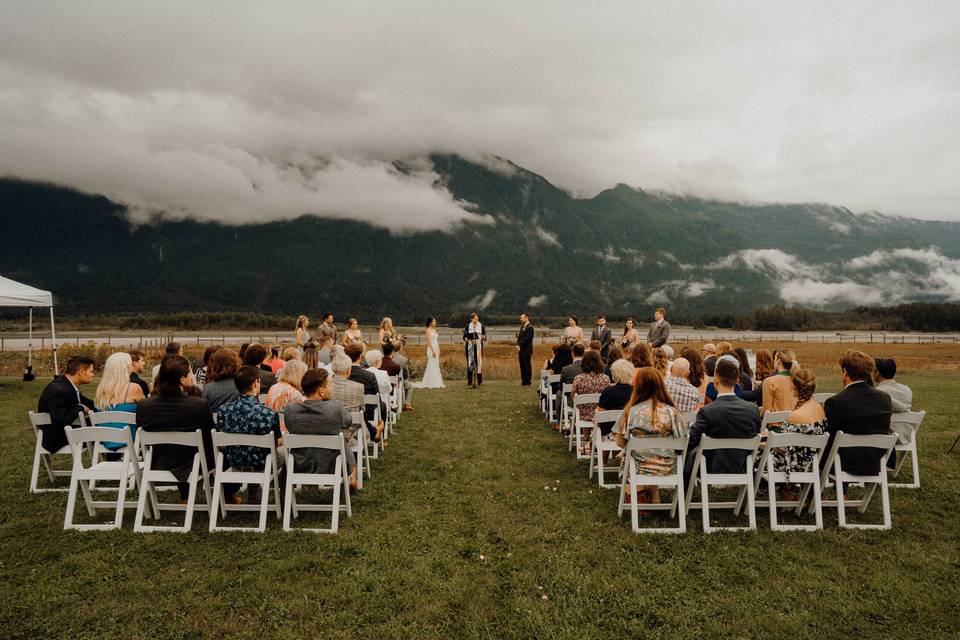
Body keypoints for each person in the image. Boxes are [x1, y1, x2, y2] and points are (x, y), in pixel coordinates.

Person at [136, 355, 237, 503]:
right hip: (194, 462)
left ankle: (185, 497)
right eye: (190, 372)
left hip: (160, 460)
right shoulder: (198, 405)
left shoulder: (144, 406)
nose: (192, 376)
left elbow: (141, 429)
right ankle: (228, 495)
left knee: (179, 449)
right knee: (225, 453)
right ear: (182, 380)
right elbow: (210, 438)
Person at [615, 367, 689, 507]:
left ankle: (638, 491)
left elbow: (619, 442)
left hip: (638, 466)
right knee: (654, 452)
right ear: (661, 384)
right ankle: (653, 495)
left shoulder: (631, 411)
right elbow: (683, 441)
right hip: (668, 467)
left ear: (638, 386)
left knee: (630, 455)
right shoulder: (673, 412)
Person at [683, 358, 761, 488]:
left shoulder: (708, 411)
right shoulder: (752, 409)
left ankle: (684, 492)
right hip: (741, 464)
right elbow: (756, 433)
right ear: (737, 381)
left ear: (716, 381)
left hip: (710, 466)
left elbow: (691, 439)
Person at [217, 365, 283, 503]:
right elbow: (276, 443)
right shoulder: (268, 414)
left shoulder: (223, 411)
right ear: (255, 383)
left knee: (255, 451)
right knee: (283, 454)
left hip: (235, 462)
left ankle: (254, 497)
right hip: (262, 464)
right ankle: (283, 498)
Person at [284, 368, 358, 490]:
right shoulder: (335, 408)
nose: (332, 388)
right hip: (332, 465)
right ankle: (353, 473)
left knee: (339, 436)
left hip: (300, 464)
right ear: (321, 391)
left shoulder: (290, 410)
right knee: (342, 437)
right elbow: (348, 422)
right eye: (329, 385)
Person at [823, 350, 893, 478]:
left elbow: (829, 439)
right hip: (875, 461)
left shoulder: (835, 402)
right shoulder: (885, 398)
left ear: (845, 372)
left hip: (843, 462)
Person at [771, 368, 827, 489]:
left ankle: (786, 492)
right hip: (811, 463)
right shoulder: (820, 409)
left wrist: (767, 440)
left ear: (793, 386)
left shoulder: (795, 416)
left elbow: (781, 447)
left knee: (755, 457)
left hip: (791, 467)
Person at [37, 356, 96, 452]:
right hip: (56, 438)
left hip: (64, 432)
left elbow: (89, 403)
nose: (93, 375)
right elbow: (61, 421)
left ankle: (112, 461)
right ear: (81, 372)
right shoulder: (59, 390)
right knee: (103, 429)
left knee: (104, 424)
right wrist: (79, 408)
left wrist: (107, 407)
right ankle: (114, 461)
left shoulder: (67, 384)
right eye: (91, 371)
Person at [94, 351, 145, 449]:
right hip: (130, 439)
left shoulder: (101, 389)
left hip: (105, 438)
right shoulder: (133, 388)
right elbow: (146, 410)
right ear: (125, 367)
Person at [345, 343, 385, 442]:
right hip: (367, 412)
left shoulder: (341, 375)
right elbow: (377, 399)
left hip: (345, 411)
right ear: (360, 357)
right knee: (383, 405)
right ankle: (381, 435)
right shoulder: (369, 376)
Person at [572, 351, 611, 452]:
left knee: (581, 407)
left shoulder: (578, 378)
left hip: (583, 414)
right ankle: (591, 441)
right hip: (600, 414)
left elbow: (573, 395)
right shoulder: (605, 379)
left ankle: (586, 440)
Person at [597, 359, 636, 438]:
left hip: (608, 432)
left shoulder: (608, 391)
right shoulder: (637, 392)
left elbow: (600, 415)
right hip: (630, 432)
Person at [761, 348, 797, 417]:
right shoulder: (798, 379)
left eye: (774, 358)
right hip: (795, 424)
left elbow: (766, 412)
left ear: (778, 361)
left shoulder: (769, 382)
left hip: (776, 426)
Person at [418, 316, 445, 389]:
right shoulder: (428, 330)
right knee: (432, 364)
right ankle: (432, 382)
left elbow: (436, 341)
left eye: (435, 321)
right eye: (434, 321)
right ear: (430, 322)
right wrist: (433, 351)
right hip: (431, 349)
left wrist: (438, 349)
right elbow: (429, 342)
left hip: (436, 348)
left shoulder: (434, 330)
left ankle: (435, 381)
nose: (435, 323)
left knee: (435, 365)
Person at [365, 349, 393, 414]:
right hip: (382, 403)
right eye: (381, 360)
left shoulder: (364, 373)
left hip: (366, 404)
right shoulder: (384, 373)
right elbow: (389, 389)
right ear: (377, 361)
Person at [390, 339, 415, 411]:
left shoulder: (384, 357)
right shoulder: (403, 359)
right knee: (409, 386)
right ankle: (407, 403)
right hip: (398, 382)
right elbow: (406, 373)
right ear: (400, 348)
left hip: (387, 381)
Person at [463, 312, 487, 387]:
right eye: (474, 318)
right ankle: (470, 381)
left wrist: (483, 337)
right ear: (471, 319)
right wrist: (467, 339)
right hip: (470, 347)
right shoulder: (467, 326)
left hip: (478, 346)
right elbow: (464, 337)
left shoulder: (481, 326)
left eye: (477, 318)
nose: (476, 320)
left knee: (479, 363)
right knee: (470, 363)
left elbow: (485, 337)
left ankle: (479, 380)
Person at [516, 313, 534, 386]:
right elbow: (519, 337)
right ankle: (523, 381)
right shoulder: (522, 327)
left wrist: (520, 346)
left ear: (526, 318)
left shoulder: (530, 328)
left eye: (522, 318)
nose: (521, 319)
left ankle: (528, 381)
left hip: (526, 350)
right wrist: (517, 344)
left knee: (527, 366)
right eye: (520, 318)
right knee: (522, 366)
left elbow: (527, 339)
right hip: (520, 350)